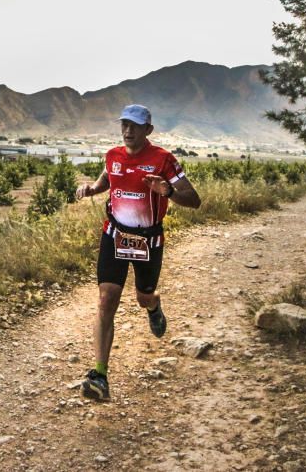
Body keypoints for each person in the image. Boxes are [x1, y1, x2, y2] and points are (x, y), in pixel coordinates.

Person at [74, 104, 201, 401]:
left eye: (135, 126)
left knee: (143, 296)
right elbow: (108, 178)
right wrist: (92, 189)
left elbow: (194, 199)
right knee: (107, 299)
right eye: (124, 125)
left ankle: (153, 305)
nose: (128, 131)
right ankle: (100, 375)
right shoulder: (113, 155)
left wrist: (168, 192)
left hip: (149, 241)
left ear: (149, 130)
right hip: (115, 235)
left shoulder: (163, 160)